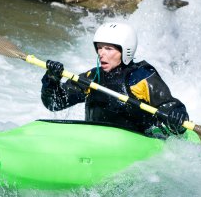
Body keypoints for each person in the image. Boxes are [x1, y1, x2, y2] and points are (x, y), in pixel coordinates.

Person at [40, 22, 189, 137]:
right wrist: (52, 80)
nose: (101, 53)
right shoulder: (93, 77)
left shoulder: (140, 78)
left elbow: (171, 107)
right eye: (99, 47)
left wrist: (177, 115)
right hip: (95, 140)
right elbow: (55, 104)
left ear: (126, 51)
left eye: (108, 49)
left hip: (134, 143)